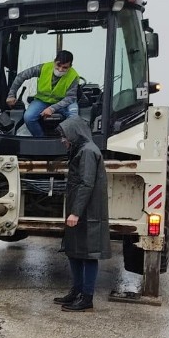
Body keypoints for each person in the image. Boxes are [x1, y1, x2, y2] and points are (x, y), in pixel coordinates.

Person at [54, 116, 110, 311]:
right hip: (82, 211)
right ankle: (77, 291)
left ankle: (86, 297)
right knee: (74, 252)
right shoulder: (82, 150)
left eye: (64, 136)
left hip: (87, 212)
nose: (63, 140)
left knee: (88, 254)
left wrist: (76, 213)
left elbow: (87, 183)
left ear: (74, 133)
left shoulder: (87, 152)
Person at [5, 50, 79, 137]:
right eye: (58, 65)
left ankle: (68, 141)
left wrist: (52, 108)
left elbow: (70, 98)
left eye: (65, 67)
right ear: (54, 61)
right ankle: (40, 138)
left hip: (64, 102)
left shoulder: (74, 76)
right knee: (28, 117)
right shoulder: (43, 68)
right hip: (42, 100)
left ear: (70, 66)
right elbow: (21, 76)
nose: (60, 69)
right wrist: (11, 95)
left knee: (74, 118)